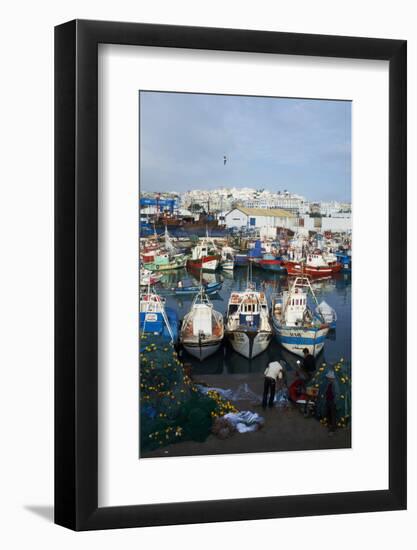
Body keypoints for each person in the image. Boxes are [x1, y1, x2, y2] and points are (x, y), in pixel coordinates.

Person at [325, 370, 337, 435]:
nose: (328, 379)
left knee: (333, 415)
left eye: (329, 378)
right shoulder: (329, 383)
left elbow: (337, 393)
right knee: (329, 414)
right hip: (328, 400)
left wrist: (334, 401)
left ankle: (333, 430)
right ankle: (330, 426)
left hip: (332, 401)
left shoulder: (335, 384)